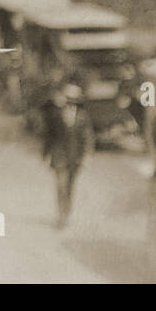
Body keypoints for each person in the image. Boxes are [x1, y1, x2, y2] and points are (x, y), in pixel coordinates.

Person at [41, 76, 94, 228]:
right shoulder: (56, 115)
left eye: (73, 99)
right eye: (68, 98)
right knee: (60, 185)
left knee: (70, 187)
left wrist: (86, 157)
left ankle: (67, 212)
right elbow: (49, 136)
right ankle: (61, 215)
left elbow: (88, 138)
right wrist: (45, 154)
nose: (70, 101)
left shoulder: (83, 118)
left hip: (75, 158)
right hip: (59, 156)